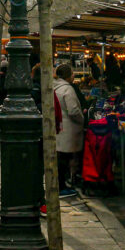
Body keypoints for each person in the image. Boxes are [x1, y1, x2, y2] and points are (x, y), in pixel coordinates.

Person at [53, 64, 84, 198]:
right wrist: (82, 119)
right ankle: (62, 186)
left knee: (61, 158)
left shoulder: (55, 87)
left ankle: (61, 184)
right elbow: (73, 110)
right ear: (67, 75)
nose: (73, 76)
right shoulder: (68, 90)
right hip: (68, 128)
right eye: (72, 74)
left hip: (59, 127)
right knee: (64, 159)